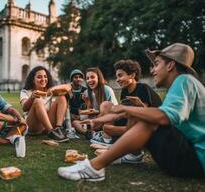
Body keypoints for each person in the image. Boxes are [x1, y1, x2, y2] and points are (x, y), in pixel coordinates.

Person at [58, 43, 205, 181]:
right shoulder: (182, 84)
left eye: (156, 64)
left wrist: (124, 108)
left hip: (196, 160)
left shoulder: (185, 80)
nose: (152, 70)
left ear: (171, 65)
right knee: (139, 115)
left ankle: (94, 167)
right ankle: (132, 154)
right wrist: (97, 121)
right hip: (187, 155)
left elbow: (163, 117)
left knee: (146, 119)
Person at [88, 59, 162, 147]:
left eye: (120, 76)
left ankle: (120, 138)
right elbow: (124, 114)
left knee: (110, 126)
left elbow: (145, 115)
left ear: (132, 75)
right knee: (106, 123)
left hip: (149, 125)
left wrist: (139, 105)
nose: (117, 80)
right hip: (131, 122)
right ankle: (109, 139)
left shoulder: (143, 88)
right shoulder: (124, 91)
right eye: (116, 77)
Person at [20, 66, 69, 142]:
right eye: (39, 77)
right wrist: (32, 97)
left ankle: (58, 129)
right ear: (33, 80)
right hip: (33, 126)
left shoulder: (50, 91)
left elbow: (68, 87)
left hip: (47, 124)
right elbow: (24, 108)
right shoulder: (25, 91)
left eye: (45, 77)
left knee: (61, 97)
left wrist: (52, 89)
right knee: (37, 100)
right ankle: (51, 132)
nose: (43, 79)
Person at [72, 67, 118, 135]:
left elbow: (114, 110)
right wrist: (87, 103)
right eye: (87, 78)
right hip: (93, 120)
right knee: (75, 122)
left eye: (92, 77)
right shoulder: (86, 92)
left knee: (104, 106)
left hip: (105, 119)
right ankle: (90, 133)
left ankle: (92, 130)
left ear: (98, 78)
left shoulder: (107, 90)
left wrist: (98, 116)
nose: (90, 80)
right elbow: (88, 113)